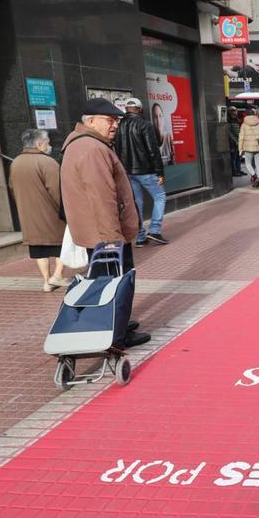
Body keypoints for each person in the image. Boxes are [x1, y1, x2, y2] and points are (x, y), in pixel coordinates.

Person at [60, 98, 149, 348]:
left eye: (116, 121)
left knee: (108, 282)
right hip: (105, 235)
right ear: (90, 121)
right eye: (110, 121)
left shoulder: (87, 145)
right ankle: (116, 334)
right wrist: (113, 239)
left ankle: (117, 322)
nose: (115, 126)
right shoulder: (92, 149)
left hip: (97, 232)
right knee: (116, 283)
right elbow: (102, 197)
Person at [9, 128, 71, 293]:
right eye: (47, 142)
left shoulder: (16, 162)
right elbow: (57, 190)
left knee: (39, 249)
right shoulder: (47, 162)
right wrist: (66, 210)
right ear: (39, 144)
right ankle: (58, 275)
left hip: (27, 213)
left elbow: (12, 188)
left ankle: (46, 280)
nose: (49, 145)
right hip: (51, 214)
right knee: (61, 244)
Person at [115, 97, 168, 246]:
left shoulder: (119, 125)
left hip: (127, 172)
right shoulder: (145, 124)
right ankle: (155, 230)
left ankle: (140, 237)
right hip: (145, 170)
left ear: (127, 109)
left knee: (136, 203)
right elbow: (153, 150)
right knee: (160, 196)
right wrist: (160, 172)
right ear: (139, 109)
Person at [237, 106, 259, 189]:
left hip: (248, 148)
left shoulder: (244, 124)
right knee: (258, 165)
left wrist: (240, 149)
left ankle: (255, 176)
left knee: (248, 164)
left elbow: (241, 137)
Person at [228, 109, 244, 176]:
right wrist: (234, 140)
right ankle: (234, 171)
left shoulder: (236, 120)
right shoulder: (229, 120)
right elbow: (229, 132)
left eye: (236, 111)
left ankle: (238, 170)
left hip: (238, 140)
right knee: (234, 157)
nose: (236, 112)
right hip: (233, 142)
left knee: (238, 156)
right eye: (234, 111)